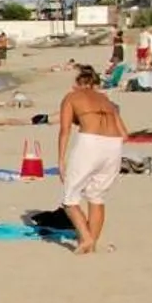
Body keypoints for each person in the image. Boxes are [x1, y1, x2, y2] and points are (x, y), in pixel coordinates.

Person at [54, 63, 128, 254]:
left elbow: (65, 130)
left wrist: (61, 160)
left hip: (90, 143)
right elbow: (125, 134)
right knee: (96, 196)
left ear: (79, 83)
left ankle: (86, 238)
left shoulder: (71, 97)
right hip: (114, 145)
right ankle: (91, 243)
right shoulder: (106, 100)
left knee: (70, 198)